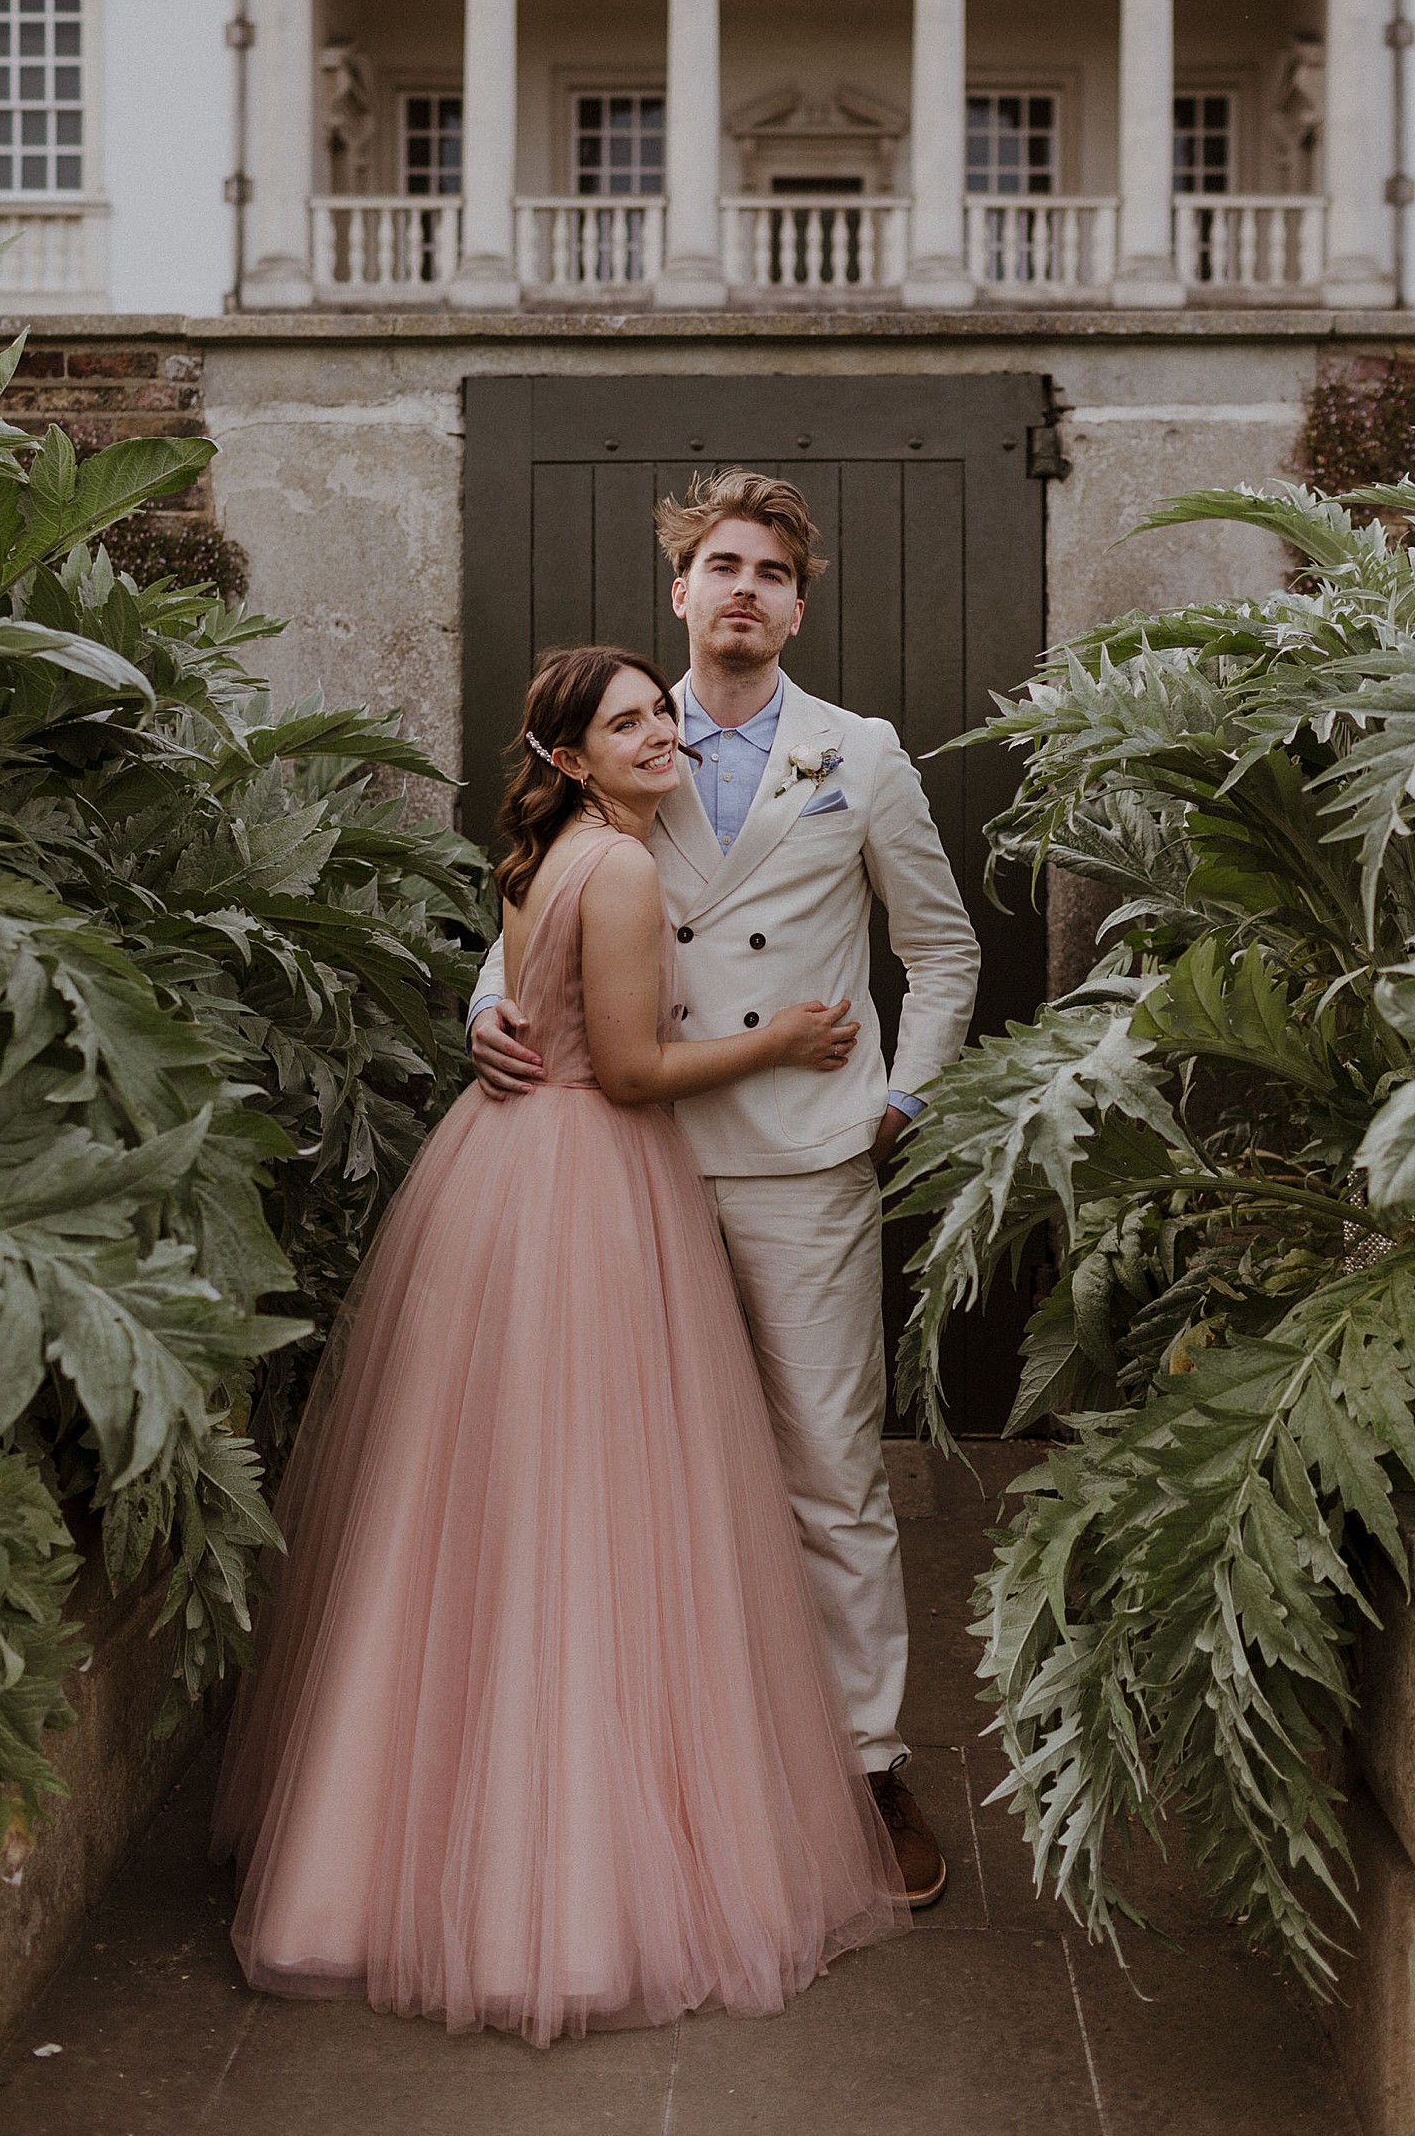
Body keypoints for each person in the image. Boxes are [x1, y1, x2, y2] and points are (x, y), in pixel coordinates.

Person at [212, 644, 908, 2046]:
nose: (660, 734)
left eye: (662, 713)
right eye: (628, 722)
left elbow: (543, 1009)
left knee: (473, 1500)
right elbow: (638, 1069)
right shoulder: (630, 867)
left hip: (504, 1163)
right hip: (596, 1175)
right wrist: (784, 1044)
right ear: (571, 757)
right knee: (600, 1504)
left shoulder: (546, 856)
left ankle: (385, 1852)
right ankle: (578, 1878)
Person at [471, 470, 981, 1908]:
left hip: (807, 1157)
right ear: (680, 592)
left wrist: (900, 1097)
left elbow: (940, 952)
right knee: (631, 1471)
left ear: (798, 604)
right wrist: (478, 1009)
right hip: (629, 1161)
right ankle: (661, 1766)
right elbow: (541, 891)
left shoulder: (858, 753)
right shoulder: (620, 734)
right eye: (720, 565)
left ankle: (865, 1767)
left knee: (830, 1466)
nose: (744, 588)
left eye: (771, 570)